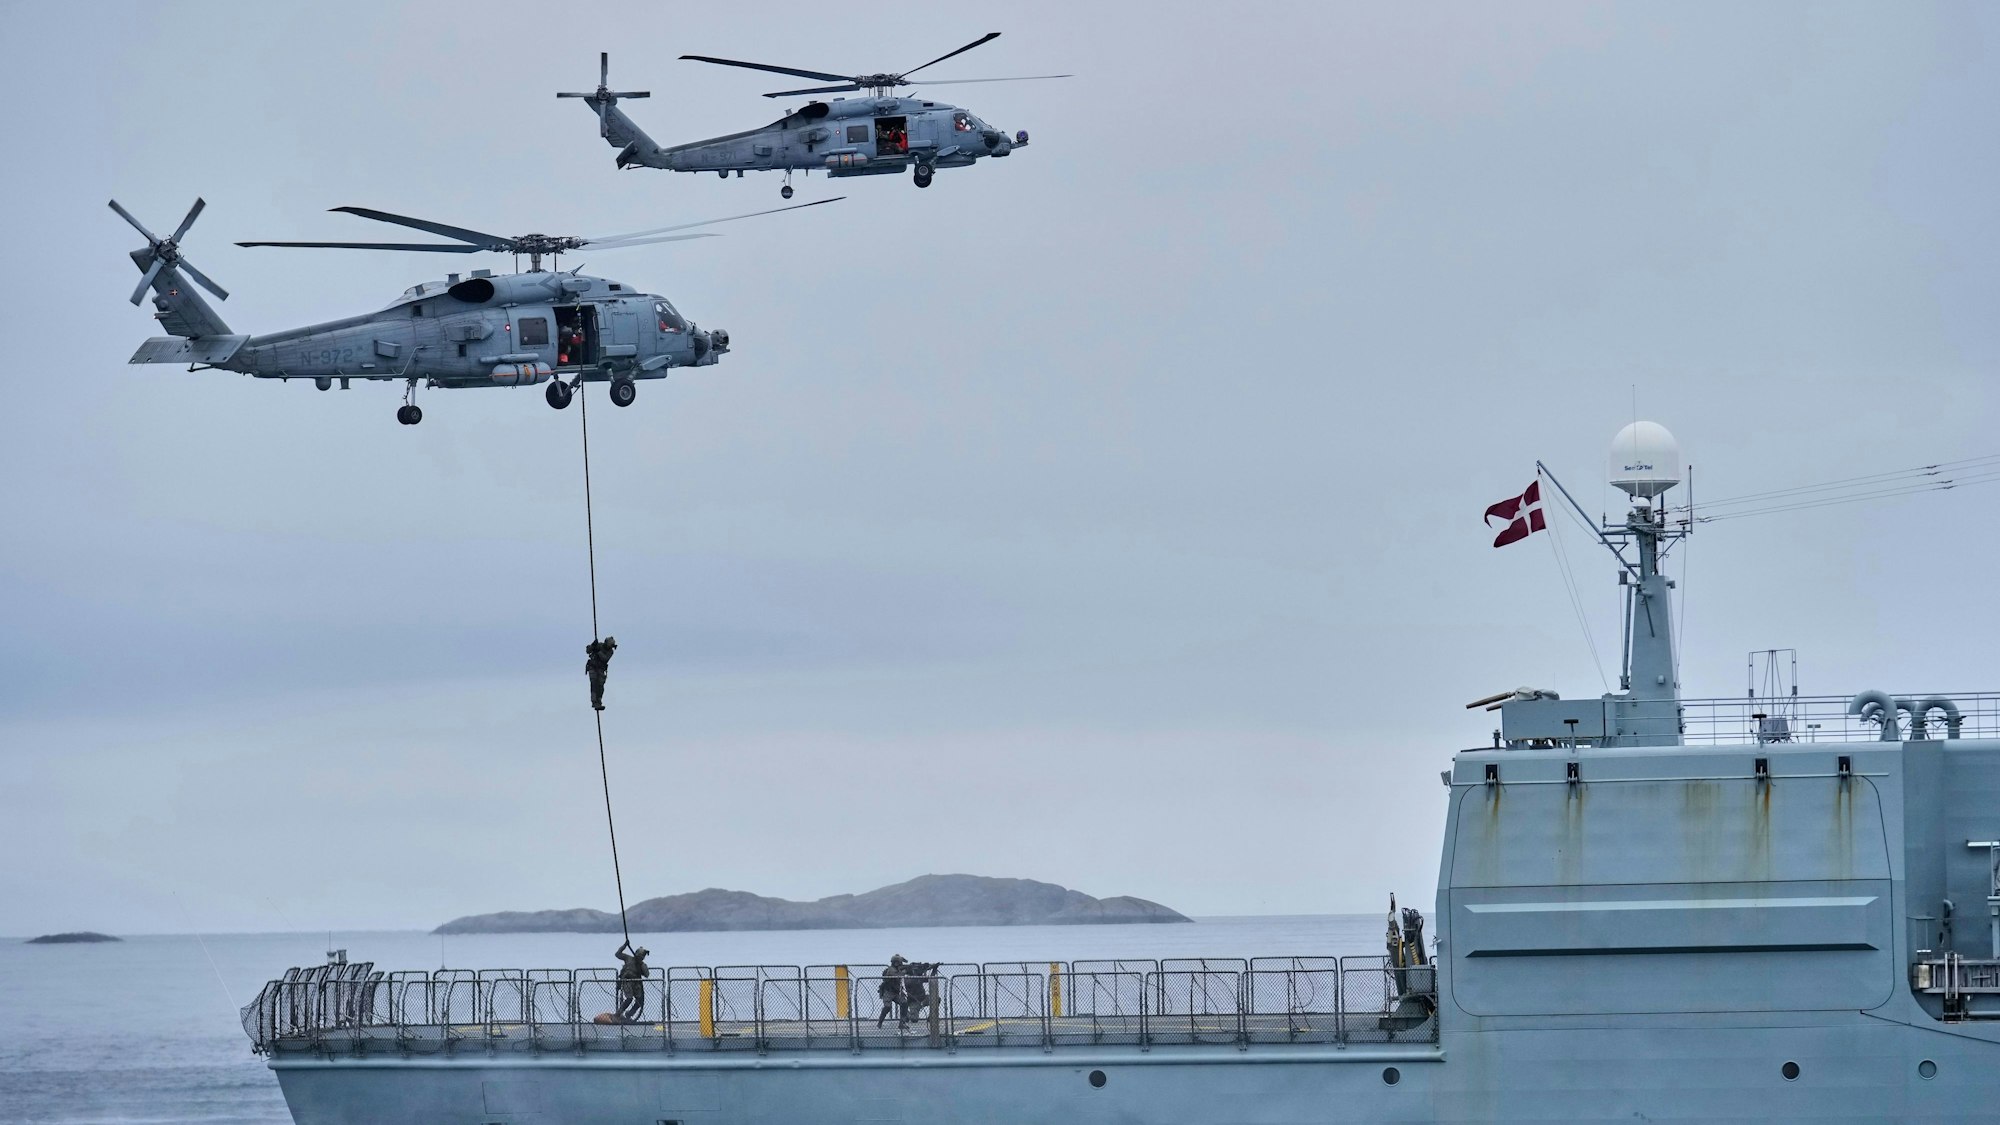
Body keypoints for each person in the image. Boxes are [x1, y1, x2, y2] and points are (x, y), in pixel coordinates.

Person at [614, 940, 649, 1022]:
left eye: (643, 956)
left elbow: (647, 974)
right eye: (640, 955)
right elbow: (617, 954)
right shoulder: (628, 958)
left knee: (640, 1001)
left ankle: (629, 1014)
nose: (642, 957)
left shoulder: (642, 964)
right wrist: (624, 946)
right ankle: (618, 1014)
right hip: (627, 981)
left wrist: (641, 965)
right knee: (629, 998)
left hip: (637, 984)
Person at [585, 636, 617, 711]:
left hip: (601, 670)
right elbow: (588, 651)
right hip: (593, 668)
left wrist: (598, 651)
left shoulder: (610, 651)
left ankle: (599, 701)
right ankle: (594, 702)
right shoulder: (599, 645)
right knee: (594, 684)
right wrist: (593, 646)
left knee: (600, 686)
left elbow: (605, 658)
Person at [875, 954, 907, 1027]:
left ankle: (902, 1023)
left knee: (904, 1003)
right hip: (888, 992)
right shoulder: (891, 969)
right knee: (887, 1007)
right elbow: (897, 976)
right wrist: (904, 972)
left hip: (896, 992)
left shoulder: (898, 969)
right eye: (898, 962)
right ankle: (880, 1022)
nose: (899, 964)